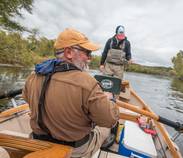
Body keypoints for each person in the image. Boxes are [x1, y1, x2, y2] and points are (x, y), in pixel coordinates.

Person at [22, 28, 119, 158]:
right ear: (68, 52)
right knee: (104, 128)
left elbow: (27, 98)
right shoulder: (88, 83)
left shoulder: (34, 75)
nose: (89, 58)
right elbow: (109, 120)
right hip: (74, 150)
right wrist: (110, 100)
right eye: (87, 53)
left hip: (36, 141)